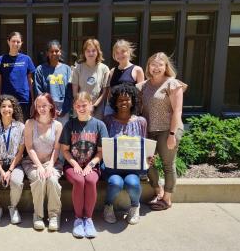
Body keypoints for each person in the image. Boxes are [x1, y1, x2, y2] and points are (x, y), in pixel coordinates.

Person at [137, 52, 187, 211]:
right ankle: (158, 191)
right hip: (149, 131)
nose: (156, 68)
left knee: (168, 165)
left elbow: (177, 111)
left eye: (160, 65)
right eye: (153, 64)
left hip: (167, 130)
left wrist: (172, 135)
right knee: (147, 163)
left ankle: (167, 199)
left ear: (166, 67)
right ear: (148, 67)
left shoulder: (172, 84)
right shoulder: (143, 86)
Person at [60, 91, 108, 238]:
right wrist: (75, 165)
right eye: (78, 105)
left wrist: (91, 165)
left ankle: (89, 219)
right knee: (80, 181)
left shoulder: (99, 125)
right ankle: (78, 219)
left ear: (91, 105)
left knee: (91, 180)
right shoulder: (70, 124)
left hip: (92, 165)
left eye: (84, 105)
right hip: (72, 165)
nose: (81, 108)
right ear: (74, 106)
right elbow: (65, 150)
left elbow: (101, 152)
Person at [102, 84, 147, 225]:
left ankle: (135, 206)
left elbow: (145, 145)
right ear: (114, 102)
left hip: (132, 167)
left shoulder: (141, 121)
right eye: (120, 100)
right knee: (115, 183)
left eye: (127, 100)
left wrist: (148, 158)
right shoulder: (108, 120)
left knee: (132, 183)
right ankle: (108, 206)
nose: (123, 103)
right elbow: (102, 144)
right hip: (112, 167)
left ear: (133, 101)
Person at [22, 93, 63, 231]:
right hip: (33, 162)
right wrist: (39, 166)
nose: (41, 109)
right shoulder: (29, 123)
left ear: (51, 105)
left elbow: (57, 149)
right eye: (38, 106)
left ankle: (53, 216)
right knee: (39, 179)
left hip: (52, 162)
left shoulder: (57, 125)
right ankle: (38, 215)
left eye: (44, 105)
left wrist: (50, 166)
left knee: (51, 180)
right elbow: (29, 147)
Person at [0, 95, 25, 225]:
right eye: (3, 106)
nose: (6, 109)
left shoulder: (21, 128)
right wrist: (2, 171)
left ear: (14, 109)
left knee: (17, 182)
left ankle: (13, 208)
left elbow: (20, 152)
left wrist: (10, 170)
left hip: (15, 164)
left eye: (9, 106)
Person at [0, 32, 36, 121]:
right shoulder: (0, 60)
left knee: (23, 127)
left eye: (18, 42)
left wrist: (33, 101)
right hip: (7, 102)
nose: (15, 44)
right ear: (8, 42)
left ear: (21, 43)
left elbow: (30, 81)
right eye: (13, 41)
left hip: (24, 100)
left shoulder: (26, 59)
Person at [34, 40, 72, 125]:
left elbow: (70, 90)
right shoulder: (40, 69)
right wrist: (47, 108)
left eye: (56, 51)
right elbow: (38, 90)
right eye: (51, 51)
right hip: (47, 107)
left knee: (63, 135)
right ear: (47, 53)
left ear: (60, 52)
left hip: (63, 107)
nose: (54, 53)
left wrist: (65, 109)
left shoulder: (67, 69)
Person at [71, 39, 110, 120]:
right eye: (88, 51)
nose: (90, 53)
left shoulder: (104, 69)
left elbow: (104, 92)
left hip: (97, 109)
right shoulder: (78, 68)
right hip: (80, 107)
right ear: (84, 52)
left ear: (98, 52)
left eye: (93, 50)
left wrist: (94, 106)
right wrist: (82, 106)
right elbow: (75, 92)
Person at [104, 39, 145, 115]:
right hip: (113, 111)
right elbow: (110, 93)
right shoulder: (112, 71)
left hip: (130, 112)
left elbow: (141, 94)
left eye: (123, 52)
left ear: (129, 52)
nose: (120, 55)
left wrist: (138, 112)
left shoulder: (137, 70)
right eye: (117, 53)